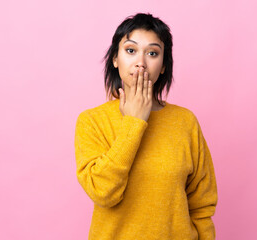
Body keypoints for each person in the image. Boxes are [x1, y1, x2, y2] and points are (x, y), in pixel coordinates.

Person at [74, 13, 218, 240]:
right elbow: (103, 192)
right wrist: (135, 122)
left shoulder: (185, 122)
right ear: (115, 59)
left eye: (152, 53)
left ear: (162, 66)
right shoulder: (92, 121)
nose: (141, 62)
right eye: (130, 50)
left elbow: (202, 204)